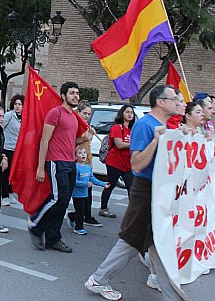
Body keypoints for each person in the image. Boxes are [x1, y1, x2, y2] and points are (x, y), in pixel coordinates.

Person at [84, 84, 185, 301]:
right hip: (145, 189)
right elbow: (137, 164)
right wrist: (157, 141)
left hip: (159, 191)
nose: (177, 102)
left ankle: (170, 292)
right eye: (173, 99)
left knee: (155, 241)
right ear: (160, 102)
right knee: (132, 240)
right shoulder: (146, 126)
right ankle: (98, 279)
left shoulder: (165, 125)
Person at [28, 81, 82, 254]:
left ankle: (53, 238)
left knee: (64, 202)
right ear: (63, 95)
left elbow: (71, 141)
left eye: (77, 93)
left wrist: (85, 137)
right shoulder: (55, 113)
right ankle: (36, 224)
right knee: (57, 198)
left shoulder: (74, 117)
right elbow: (44, 140)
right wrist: (40, 166)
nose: (76, 96)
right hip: (56, 161)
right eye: (72, 93)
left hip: (70, 162)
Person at [99, 105, 136, 219]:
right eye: (127, 112)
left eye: (131, 112)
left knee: (131, 187)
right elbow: (119, 144)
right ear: (122, 114)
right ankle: (103, 209)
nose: (130, 114)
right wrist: (134, 144)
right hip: (114, 162)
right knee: (110, 185)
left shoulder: (132, 129)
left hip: (127, 164)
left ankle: (133, 213)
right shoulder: (117, 127)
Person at [72, 100, 100, 227]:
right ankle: (79, 216)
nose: (87, 116)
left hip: (87, 162)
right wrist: (86, 137)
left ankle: (84, 216)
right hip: (77, 163)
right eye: (84, 113)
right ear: (78, 112)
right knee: (81, 194)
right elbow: (73, 143)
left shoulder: (87, 127)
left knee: (88, 193)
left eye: (89, 114)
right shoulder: (76, 126)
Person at [70, 146, 106, 235]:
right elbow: (74, 181)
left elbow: (92, 179)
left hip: (85, 193)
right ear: (75, 157)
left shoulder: (88, 168)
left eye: (84, 153)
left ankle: (72, 216)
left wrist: (104, 184)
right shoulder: (75, 167)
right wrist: (85, 184)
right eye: (80, 153)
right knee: (80, 211)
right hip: (77, 194)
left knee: (83, 210)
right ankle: (78, 227)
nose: (83, 154)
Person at [1, 94, 24, 206]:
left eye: (20, 104)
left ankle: (10, 193)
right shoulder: (9, 115)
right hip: (7, 147)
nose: (17, 106)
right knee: (6, 172)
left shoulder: (25, 117)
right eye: (15, 104)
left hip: (19, 149)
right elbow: (0, 128)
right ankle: (4, 195)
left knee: (15, 173)